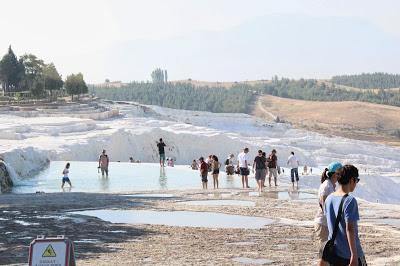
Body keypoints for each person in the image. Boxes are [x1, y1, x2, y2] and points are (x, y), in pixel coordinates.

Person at [324, 165, 366, 266]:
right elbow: (350, 229)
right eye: (357, 180)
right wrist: (354, 255)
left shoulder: (329, 198)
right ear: (352, 180)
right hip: (349, 255)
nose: (356, 184)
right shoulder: (350, 200)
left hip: (335, 253)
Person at [314, 162, 342, 266]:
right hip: (323, 224)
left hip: (326, 224)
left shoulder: (331, 185)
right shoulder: (327, 187)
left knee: (327, 257)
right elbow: (325, 207)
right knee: (325, 257)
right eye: (340, 173)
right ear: (335, 174)